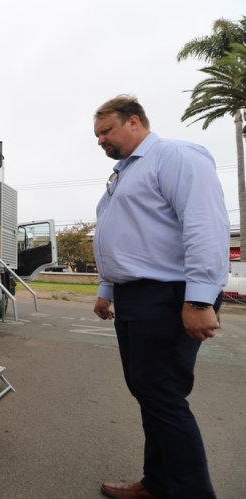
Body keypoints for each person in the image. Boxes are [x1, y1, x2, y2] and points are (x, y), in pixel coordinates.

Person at [92, 95, 229, 499]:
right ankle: (158, 483)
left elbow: (204, 226)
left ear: (134, 122)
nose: (100, 141)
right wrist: (106, 289)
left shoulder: (175, 156)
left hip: (170, 295)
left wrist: (200, 299)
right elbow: (125, 238)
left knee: (163, 396)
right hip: (136, 297)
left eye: (106, 131)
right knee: (149, 394)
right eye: (97, 135)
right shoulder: (122, 174)